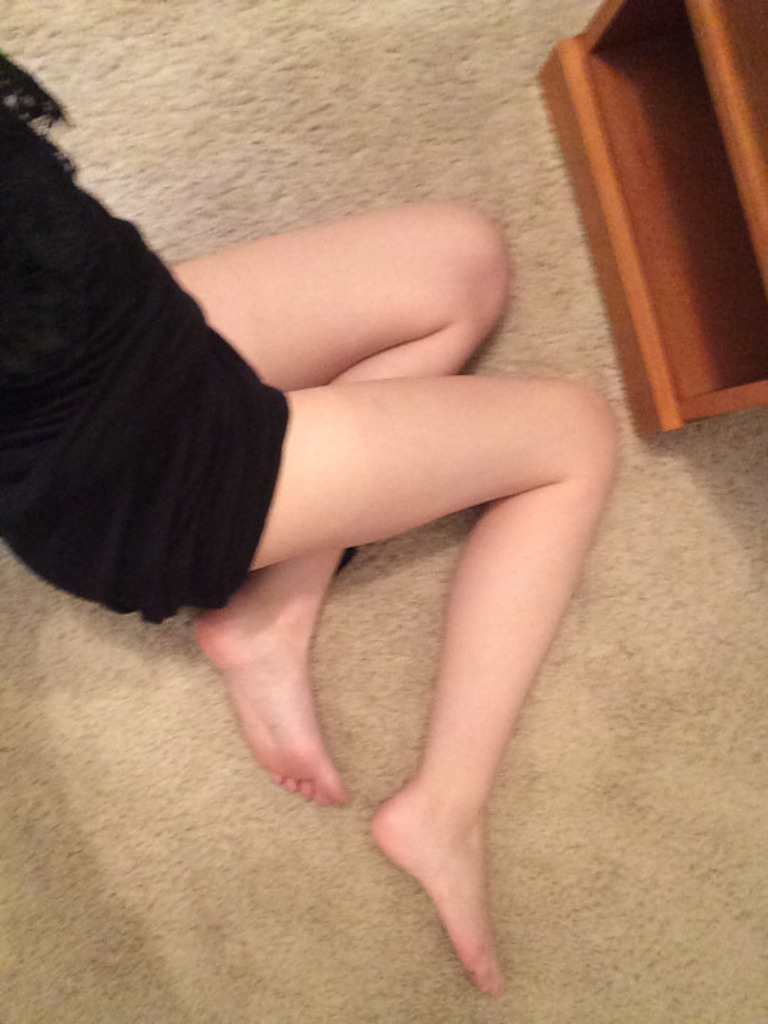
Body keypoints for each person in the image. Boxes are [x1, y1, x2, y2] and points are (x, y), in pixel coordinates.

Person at [0, 53, 617, 996]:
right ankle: (442, 811)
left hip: (143, 341)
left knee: (463, 260)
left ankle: (272, 613)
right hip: (131, 482)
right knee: (574, 438)